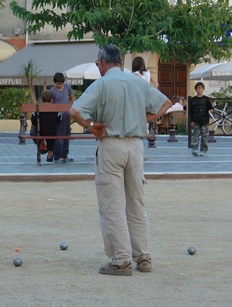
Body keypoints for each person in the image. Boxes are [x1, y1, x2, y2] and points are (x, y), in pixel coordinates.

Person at [70, 45, 172, 276]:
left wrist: (90, 126)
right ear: (120, 61)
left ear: (102, 62)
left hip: (111, 144)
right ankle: (143, 256)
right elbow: (166, 103)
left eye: (98, 64)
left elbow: (74, 111)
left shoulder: (102, 84)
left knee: (112, 205)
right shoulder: (137, 82)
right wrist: (144, 119)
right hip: (136, 146)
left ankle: (121, 260)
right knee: (136, 203)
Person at [50, 72, 76, 163]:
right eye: (58, 84)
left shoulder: (67, 87)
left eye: (61, 83)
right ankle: (58, 156)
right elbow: (50, 103)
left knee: (66, 135)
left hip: (67, 114)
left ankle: (65, 155)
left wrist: (73, 106)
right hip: (58, 116)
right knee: (59, 136)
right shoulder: (52, 91)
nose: (59, 85)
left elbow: (72, 97)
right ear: (55, 83)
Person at [30, 90, 61, 162]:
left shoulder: (37, 107)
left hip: (40, 131)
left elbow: (33, 120)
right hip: (52, 131)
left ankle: (41, 143)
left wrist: (35, 125)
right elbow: (59, 120)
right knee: (52, 136)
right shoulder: (56, 108)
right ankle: (50, 155)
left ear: (42, 99)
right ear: (52, 99)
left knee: (32, 131)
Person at [188, 82, 213, 157]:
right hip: (196, 120)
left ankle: (203, 150)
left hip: (204, 120)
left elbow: (210, 107)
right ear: (196, 89)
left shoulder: (206, 99)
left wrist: (211, 110)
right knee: (195, 136)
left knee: (204, 136)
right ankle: (194, 149)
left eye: (201, 88)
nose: (200, 89)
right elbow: (190, 111)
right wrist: (191, 120)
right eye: (198, 88)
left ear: (203, 89)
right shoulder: (192, 100)